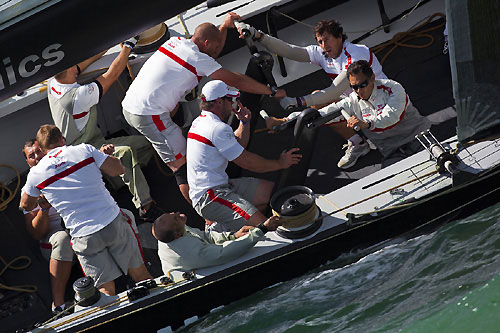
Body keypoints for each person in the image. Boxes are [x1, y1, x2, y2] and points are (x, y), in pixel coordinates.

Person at [122, 12, 287, 204]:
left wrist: (224, 27)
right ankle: (207, 211)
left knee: (192, 111)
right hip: (148, 114)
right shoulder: (196, 58)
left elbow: (213, 50)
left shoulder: (176, 42)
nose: (217, 53)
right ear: (207, 43)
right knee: (182, 167)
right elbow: (235, 80)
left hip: (142, 103)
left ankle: (206, 153)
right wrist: (270, 92)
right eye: (215, 47)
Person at [20, 125, 153, 296]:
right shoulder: (84, 149)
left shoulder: (36, 174)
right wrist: (106, 156)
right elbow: (118, 170)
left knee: (105, 290)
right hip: (112, 222)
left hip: (84, 236)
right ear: (62, 139)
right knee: (141, 275)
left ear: (43, 148)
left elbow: (25, 205)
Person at [237, 19, 387, 169]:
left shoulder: (356, 54)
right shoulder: (323, 53)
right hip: (355, 101)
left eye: (327, 39)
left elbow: (334, 91)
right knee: (319, 100)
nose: (324, 46)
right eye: (320, 41)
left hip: (381, 103)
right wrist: (258, 35)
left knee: (324, 105)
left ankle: (286, 121)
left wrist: (297, 102)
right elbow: (290, 51)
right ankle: (358, 143)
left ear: (339, 36)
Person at [47, 36, 163, 222]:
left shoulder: (55, 83)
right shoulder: (77, 97)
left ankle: (115, 179)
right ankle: (145, 206)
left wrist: (109, 42)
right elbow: (112, 75)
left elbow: (81, 65)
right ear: (68, 67)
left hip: (91, 142)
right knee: (126, 153)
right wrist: (129, 45)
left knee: (147, 144)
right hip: (85, 152)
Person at [186, 80, 301, 232]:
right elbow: (248, 163)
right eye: (231, 100)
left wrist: (244, 123)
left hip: (218, 187)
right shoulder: (216, 128)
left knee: (272, 193)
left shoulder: (200, 122)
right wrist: (281, 163)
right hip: (211, 197)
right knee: (266, 228)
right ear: (220, 101)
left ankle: (225, 224)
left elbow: (237, 145)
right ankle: (218, 228)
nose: (233, 104)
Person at [318, 60, 431, 167]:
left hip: (419, 138)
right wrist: (303, 117)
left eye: (363, 85)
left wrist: (367, 124)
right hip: (392, 152)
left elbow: (391, 117)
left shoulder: (393, 88)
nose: (359, 91)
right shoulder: (352, 100)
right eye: (354, 87)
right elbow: (329, 111)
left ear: (372, 78)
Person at [22, 139, 72, 315]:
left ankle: (137, 274)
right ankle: (58, 305)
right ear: (28, 162)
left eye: (38, 152)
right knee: (62, 239)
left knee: (124, 214)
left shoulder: (66, 171)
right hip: (52, 239)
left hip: (78, 225)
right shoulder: (29, 191)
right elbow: (36, 233)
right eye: (31, 156)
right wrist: (44, 209)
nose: (37, 157)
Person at [153, 212, 282, 272]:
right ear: (177, 235)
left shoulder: (174, 232)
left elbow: (205, 236)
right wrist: (262, 229)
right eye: (175, 218)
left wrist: (233, 236)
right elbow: (224, 253)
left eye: (171, 213)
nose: (176, 213)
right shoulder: (187, 253)